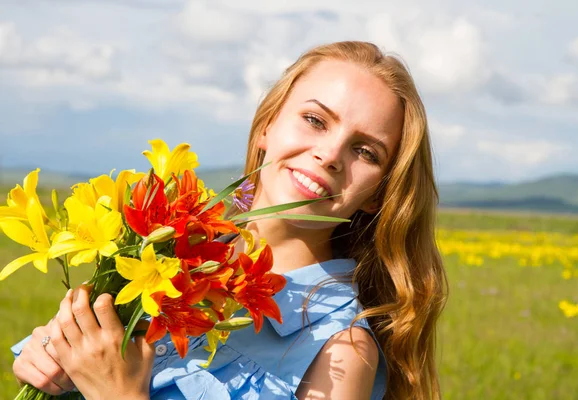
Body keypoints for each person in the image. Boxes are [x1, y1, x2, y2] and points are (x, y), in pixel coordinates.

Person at [10, 41, 448, 400]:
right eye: (315, 120)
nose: (330, 155)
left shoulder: (342, 352)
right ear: (267, 125)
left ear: (379, 194)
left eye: (366, 151)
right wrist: (50, 356)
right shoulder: (170, 251)